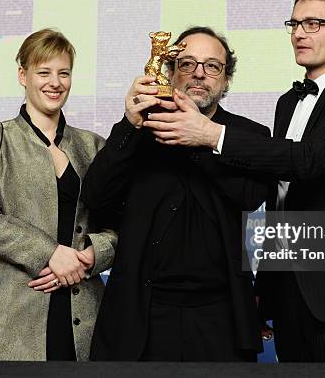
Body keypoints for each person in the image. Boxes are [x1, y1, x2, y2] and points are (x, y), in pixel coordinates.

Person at [142, 0, 325, 362]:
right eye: (295, 23)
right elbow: (282, 200)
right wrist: (265, 285)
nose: (299, 33)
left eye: (314, 23)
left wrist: (212, 134)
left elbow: (309, 160)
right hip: (290, 293)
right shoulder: (287, 103)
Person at [85, 27, 270, 362]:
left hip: (221, 316)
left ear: (225, 80)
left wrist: (200, 137)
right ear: (169, 74)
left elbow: (249, 194)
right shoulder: (138, 128)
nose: (199, 73)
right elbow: (96, 197)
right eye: (187, 64)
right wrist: (130, 124)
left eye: (212, 66)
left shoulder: (249, 135)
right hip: (142, 315)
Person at [0, 28, 116, 360]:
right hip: (9, 309)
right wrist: (49, 253)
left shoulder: (94, 146)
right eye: (43, 72)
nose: (54, 82)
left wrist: (91, 254)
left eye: (64, 73)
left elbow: (121, 224)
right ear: (23, 75)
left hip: (82, 309)